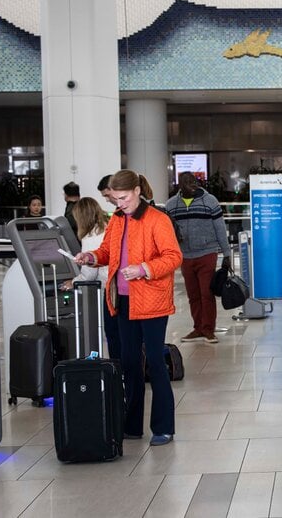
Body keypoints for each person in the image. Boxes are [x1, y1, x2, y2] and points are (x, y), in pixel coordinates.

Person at [73, 170, 182, 447]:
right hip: (122, 300)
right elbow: (108, 253)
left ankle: (163, 426)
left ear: (136, 191)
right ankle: (132, 425)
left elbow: (173, 257)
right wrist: (90, 257)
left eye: (123, 198)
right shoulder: (117, 221)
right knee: (130, 363)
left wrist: (145, 268)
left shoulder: (158, 220)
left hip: (151, 301)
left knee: (155, 363)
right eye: (115, 198)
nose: (119, 203)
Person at [166, 172, 232, 344]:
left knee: (206, 293)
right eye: (187, 182)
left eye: (194, 181)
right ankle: (198, 328)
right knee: (193, 295)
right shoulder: (171, 205)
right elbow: (167, 232)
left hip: (207, 253)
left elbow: (219, 228)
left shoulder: (210, 201)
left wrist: (226, 253)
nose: (192, 184)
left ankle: (208, 329)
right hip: (185, 256)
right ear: (180, 185)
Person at [61, 197, 120, 359]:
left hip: (109, 289)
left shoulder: (90, 236)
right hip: (120, 284)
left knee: (112, 334)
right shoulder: (108, 227)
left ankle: (115, 370)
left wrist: (72, 282)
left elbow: (89, 274)